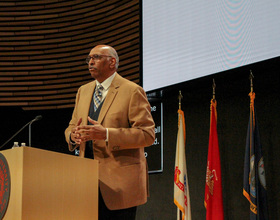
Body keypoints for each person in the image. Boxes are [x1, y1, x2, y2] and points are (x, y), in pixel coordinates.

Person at [65, 45, 155, 220]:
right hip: (87, 184)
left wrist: (106, 134)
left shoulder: (132, 91)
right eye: (89, 59)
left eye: (96, 57)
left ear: (112, 62)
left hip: (120, 185)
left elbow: (147, 134)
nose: (90, 62)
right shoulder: (83, 91)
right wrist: (72, 135)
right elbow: (70, 126)